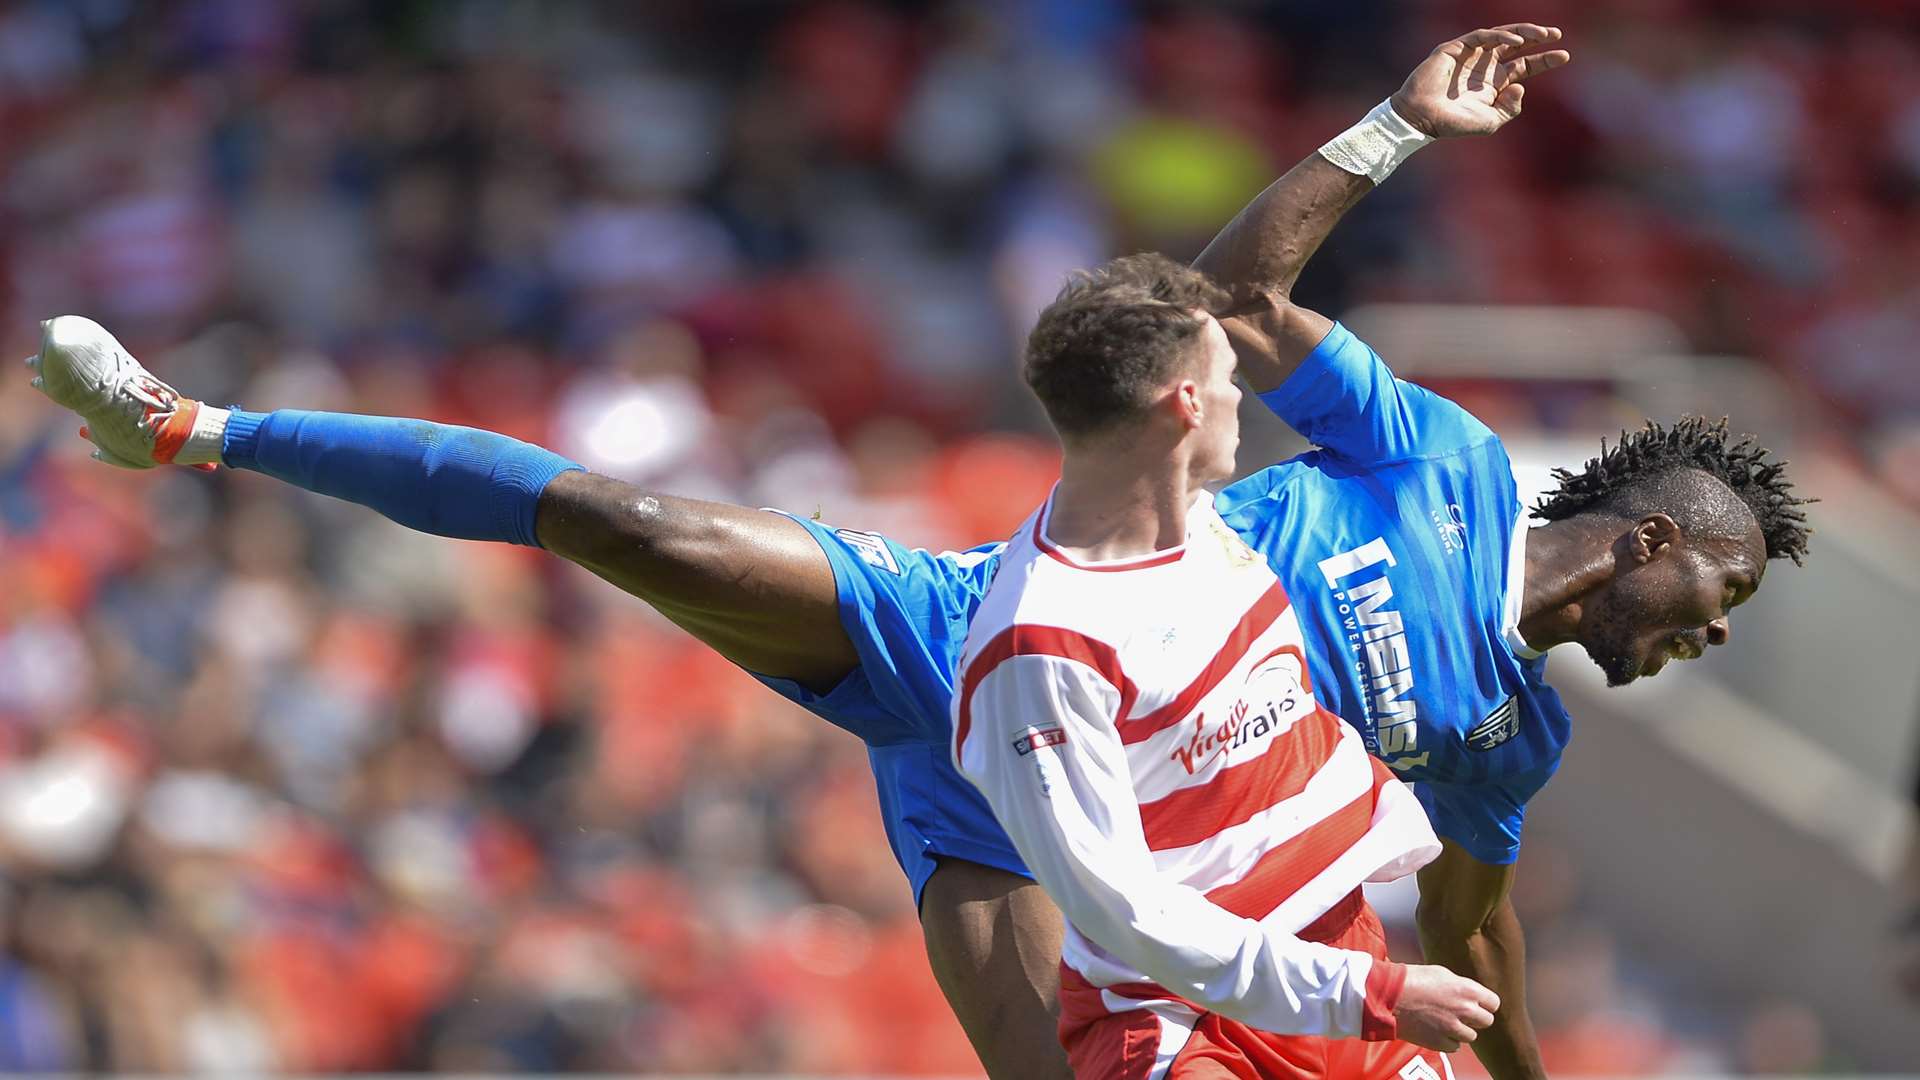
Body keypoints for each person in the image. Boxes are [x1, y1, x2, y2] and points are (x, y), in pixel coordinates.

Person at [29, 22, 1810, 1080]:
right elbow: (1236, 298)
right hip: (973, 642)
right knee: (628, 522)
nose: (1704, 638)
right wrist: (1398, 130)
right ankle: (193, 430)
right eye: (1718, 597)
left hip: (1045, 830)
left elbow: (1476, 944)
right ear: (1650, 536)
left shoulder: (1519, 738)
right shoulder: (1446, 465)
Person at [951, 252, 1496, 1077]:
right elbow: (1124, 911)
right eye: (1231, 374)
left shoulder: (1205, 523)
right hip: (1184, 1020)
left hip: (1338, 945)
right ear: (1187, 403)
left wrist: (1397, 123)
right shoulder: (1041, 644)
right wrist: (1365, 995)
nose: (1243, 395)